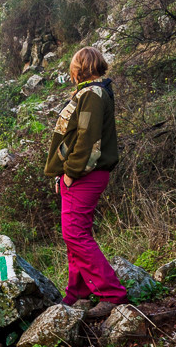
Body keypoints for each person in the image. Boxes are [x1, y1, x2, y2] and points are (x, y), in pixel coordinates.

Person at [44, 46, 127, 319]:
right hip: (80, 174)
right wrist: (62, 172)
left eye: (74, 66)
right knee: (74, 234)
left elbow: (87, 138)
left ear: (80, 68)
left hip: (85, 174)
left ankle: (111, 294)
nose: (72, 71)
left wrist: (71, 172)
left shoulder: (93, 94)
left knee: (75, 234)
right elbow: (74, 138)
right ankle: (77, 292)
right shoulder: (91, 92)